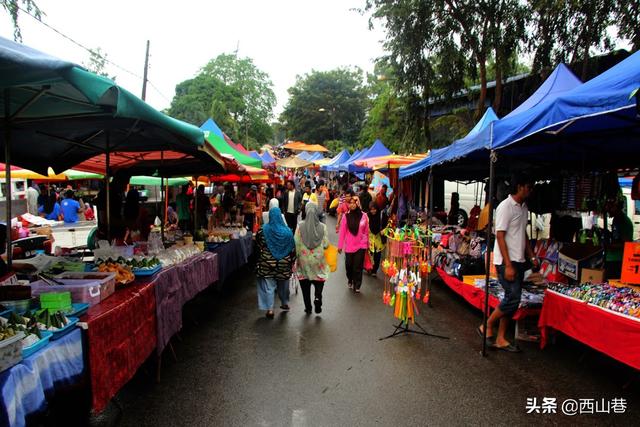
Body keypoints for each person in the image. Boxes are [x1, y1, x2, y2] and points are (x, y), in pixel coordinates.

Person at [479, 175, 536, 353]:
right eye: (528, 186)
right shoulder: (505, 206)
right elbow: (500, 235)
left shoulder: (524, 207)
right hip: (505, 261)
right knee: (514, 298)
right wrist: (508, 264)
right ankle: (487, 324)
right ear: (519, 186)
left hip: (518, 260)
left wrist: (532, 256)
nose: (530, 190)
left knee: (510, 299)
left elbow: (523, 233)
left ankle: (501, 338)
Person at [255, 206, 296, 319]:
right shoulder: (288, 232)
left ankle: (270, 309)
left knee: (269, 286)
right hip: (284, 264)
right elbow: (292, 248)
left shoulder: (263, 230)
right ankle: (284, 303)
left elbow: (258, 244)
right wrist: (292, 261)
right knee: (284, 285)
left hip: (267, 263)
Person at [295, 202, 330, 314]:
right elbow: (326, 244)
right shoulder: (323, 227)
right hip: (318, 260)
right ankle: (317, 297)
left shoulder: (300, 226)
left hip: (304, 261)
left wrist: (296, 258)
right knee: (319, 280)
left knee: (305, 285)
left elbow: (296, 242)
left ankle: (308, 307)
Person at [338, 196, 369, 293]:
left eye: (354, 202)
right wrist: (340, 246)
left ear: (357, 203)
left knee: (358, 266)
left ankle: (357, 284)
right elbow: (342, 232)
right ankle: (350, 279)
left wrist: (366, 243)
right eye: (350, 203)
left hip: (361, 245)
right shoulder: (345, 216)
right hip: (349, 246)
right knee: (349, 265)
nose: (352, 205)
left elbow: (366, 231)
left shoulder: (364, 216)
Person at [605, 198, 634, 279]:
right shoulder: (616, 219)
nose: (608, 210)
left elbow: (626, 244)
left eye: (610, 207)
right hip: (612, 258)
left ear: (616, 207)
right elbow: (616, 236)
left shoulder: (624, 221)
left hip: (618, 260)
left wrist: (610, 246)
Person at [367, 203, 388, 275]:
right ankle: (369, 267)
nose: (373, 211)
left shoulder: (382, 216)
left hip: (379, 239)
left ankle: (375, 270)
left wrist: (384, 230)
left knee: (377, 255)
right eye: (371, 210)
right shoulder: (367, 216)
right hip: (370, 239)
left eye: (374, 209)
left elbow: (387, 225)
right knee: (369, 254)